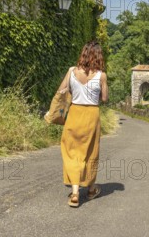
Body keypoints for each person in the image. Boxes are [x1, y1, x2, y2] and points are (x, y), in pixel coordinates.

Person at [56, 41, 108, 207]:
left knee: (71, 151)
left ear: (83, 54)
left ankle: (75, 193)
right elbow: (105, 98)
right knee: (90, 151)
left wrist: (74, 91)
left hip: (75, 114)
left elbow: (61, 91)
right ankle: (91, 189)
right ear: (99, 56)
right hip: (92, 115)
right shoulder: (102, 75)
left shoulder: (71, 71)